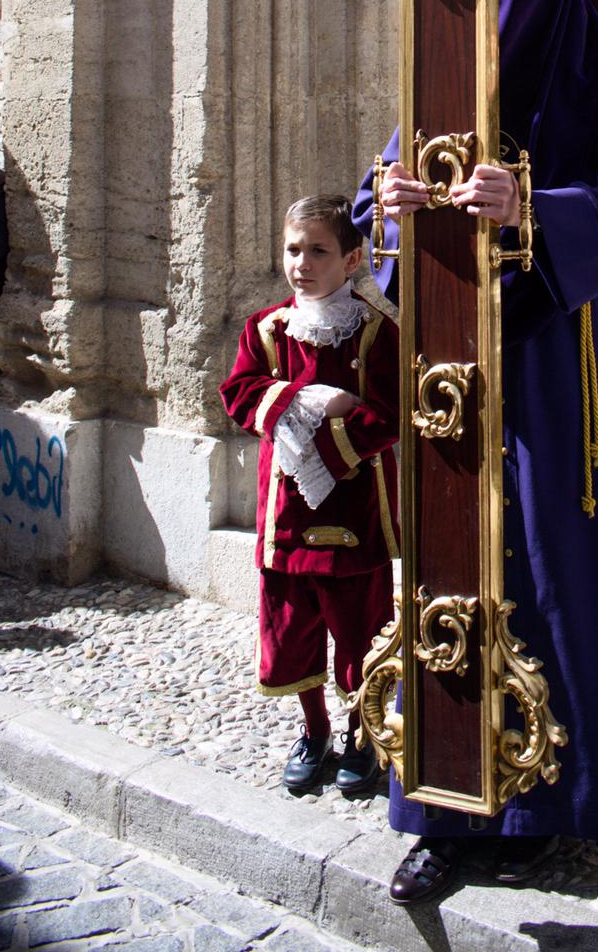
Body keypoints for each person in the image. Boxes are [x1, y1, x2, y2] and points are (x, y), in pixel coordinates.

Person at [357, 0, 598, 904]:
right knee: (451, 564)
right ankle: (446, 804)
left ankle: (550, 796)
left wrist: (533, 206)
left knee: (547, 570)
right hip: (448, 362)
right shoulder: (440, 49)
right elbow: (380, 194)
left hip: (555, 365)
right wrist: (393, 208)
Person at [219, 194, 399, 797]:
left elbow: (392, 411)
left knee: (360, 628)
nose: (301, 262)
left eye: (317, 251)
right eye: (293, 249)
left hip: (354, 506)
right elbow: (240, 392)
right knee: (292, 625)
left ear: (351, 260)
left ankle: (362, 729)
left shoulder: (377, 333)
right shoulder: (267, 329)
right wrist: (307, 400)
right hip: (286, 510)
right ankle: (315, 727)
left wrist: (336, 437)